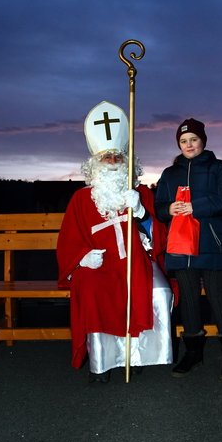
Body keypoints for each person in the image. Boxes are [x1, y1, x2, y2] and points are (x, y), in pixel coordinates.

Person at [57, 101, 173, 383]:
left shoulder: (140, 192)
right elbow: (68, 240)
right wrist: (83, 257)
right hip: (100, 263)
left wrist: (143, 213)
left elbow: (158, 239)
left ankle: (141, 356)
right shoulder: (81, 199)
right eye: (106, 157)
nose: (111, 161)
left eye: (117, 157)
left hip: (137, 260)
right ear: (95, 163)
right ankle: (103, 363)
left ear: (126, 161)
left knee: (159, 292)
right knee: (93, 289)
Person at [154, 118, 222, 381]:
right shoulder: (169, 174)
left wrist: (197, 206)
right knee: (190, 298)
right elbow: (159, 207)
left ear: (203, 141)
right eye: (183, 141)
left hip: (211, 242)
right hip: (181, 245)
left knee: (217, 295)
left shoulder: (217, 168)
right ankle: (193, 353)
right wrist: (167, 209)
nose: (189, 144)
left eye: (193, 139)